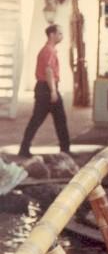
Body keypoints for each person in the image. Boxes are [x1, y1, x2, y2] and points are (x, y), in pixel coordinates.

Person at [18, 24, 70, 158]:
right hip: (46, 89)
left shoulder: (49, 50)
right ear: (52, 35)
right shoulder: (48, 51)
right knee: (42, 119)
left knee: (55, 119)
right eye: (59, 33)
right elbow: (48, 71)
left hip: (45, 88)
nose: (62, 36)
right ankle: (64, 150)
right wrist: (53, 91)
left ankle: (64, 149)